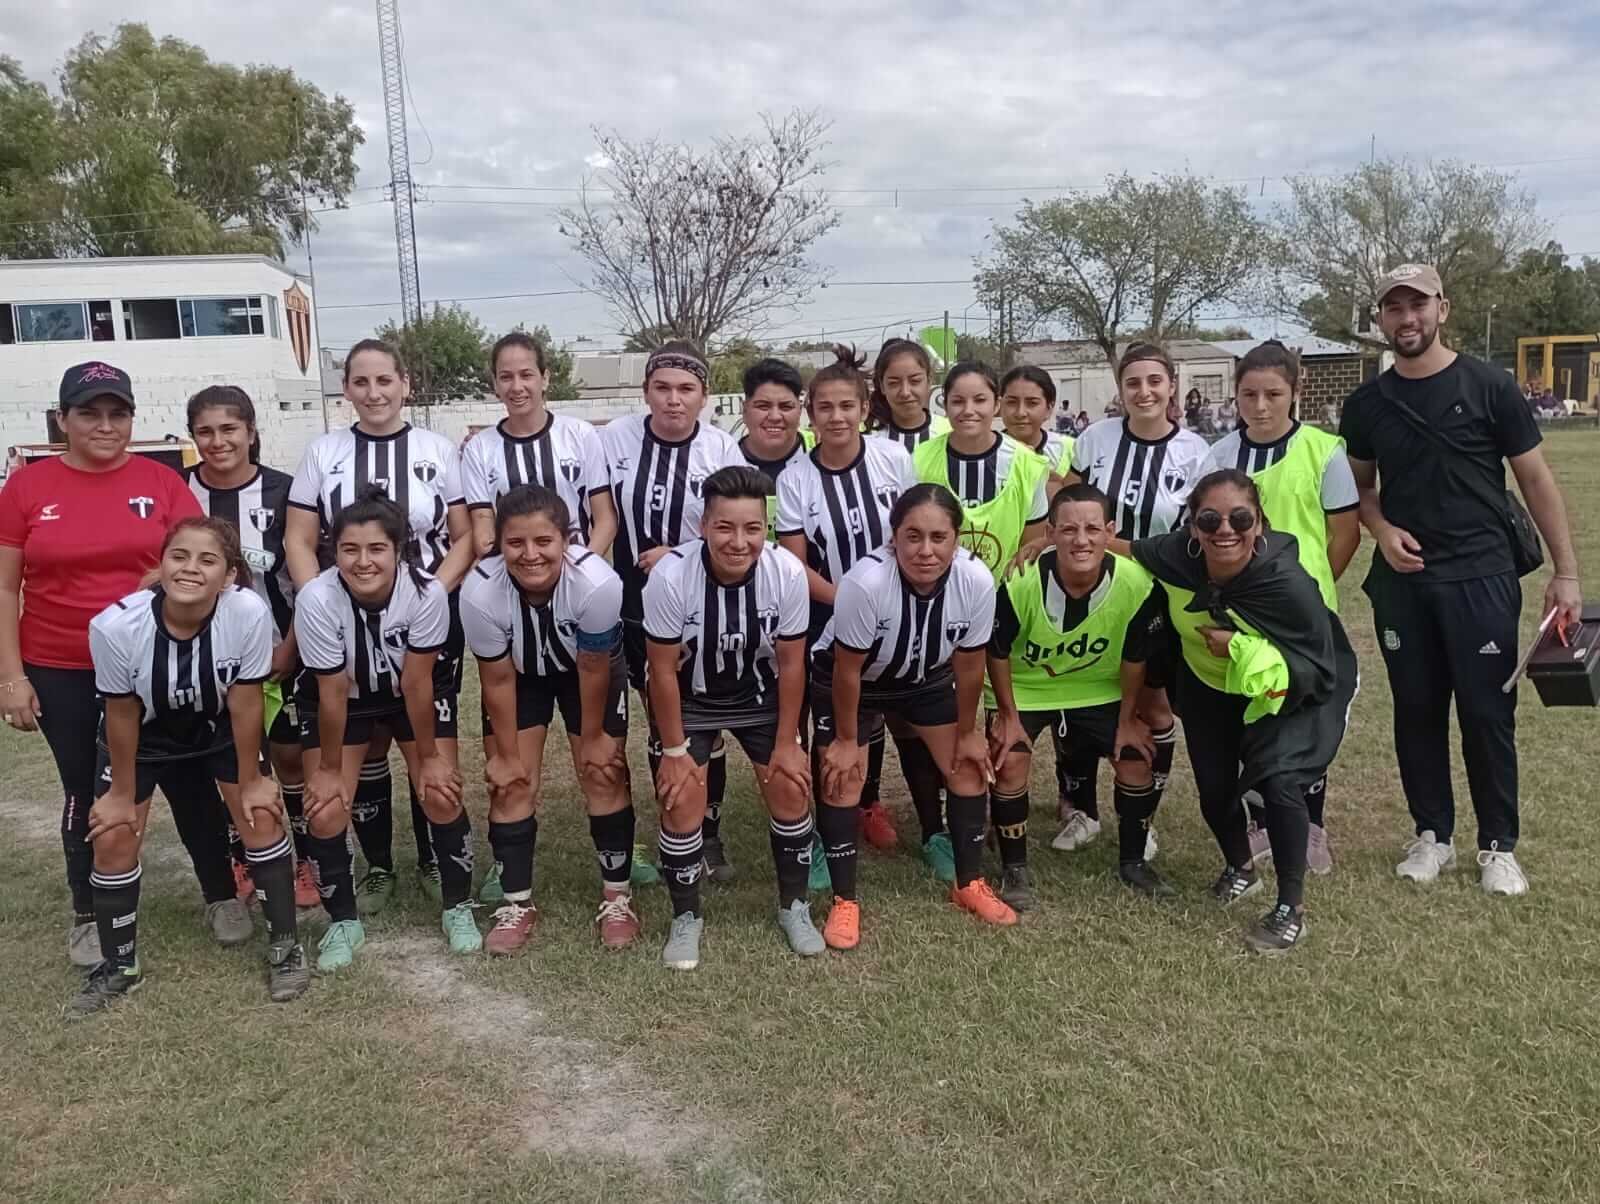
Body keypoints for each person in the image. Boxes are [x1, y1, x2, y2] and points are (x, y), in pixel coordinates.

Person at [1341, 263, 1581, 896]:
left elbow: (1534, 480)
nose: (1406, 318)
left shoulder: (1489, 386)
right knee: (1416, 711)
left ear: (1442, 308)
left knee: (1486, 713)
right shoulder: (1367, 404)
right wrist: (1382, 531)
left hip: (1481, 576)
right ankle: (1432, 837)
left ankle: (1498, 847)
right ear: (1382, 320)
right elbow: (1360, 490)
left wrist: (1567, 572)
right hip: (1404, 583)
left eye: (1417, 305)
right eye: (1394, 308)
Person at [0, 360, 230, 971]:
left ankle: (221, 894)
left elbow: (197, 561)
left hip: (155, 664)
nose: (105, 425)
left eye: (117, 412)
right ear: (63, 419)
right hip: (61, 664)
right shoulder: (27, 488)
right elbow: (4, 588)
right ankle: (88, 909)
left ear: (131, 417)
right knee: (88, 787)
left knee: (186, 777)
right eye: (89, 413)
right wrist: (11, 676)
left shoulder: (161, 482)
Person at [71, 518, 309, 1015]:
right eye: (179, 556)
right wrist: (120, 796)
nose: (190, 569)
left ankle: (287, 949)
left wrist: (252, 780)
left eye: (207, 560)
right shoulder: (114, 626)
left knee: (259, 816)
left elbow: (245, 703)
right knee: (115, 834)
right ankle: (120, 966)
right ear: (161, 564)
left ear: (228, 577)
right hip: (144, 735)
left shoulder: (246, 611)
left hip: (217, 726)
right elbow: (120, 712)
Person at [285, 338, 475, 912]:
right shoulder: (323, 451)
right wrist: (322, 596)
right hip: (342, 618)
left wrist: (425, 597)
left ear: (405, 385)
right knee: (363, 749)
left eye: (384, 381)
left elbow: (466, 535)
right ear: (346, 390)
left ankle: (436, 860)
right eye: (361, 383)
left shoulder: (437, 449)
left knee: (428, 749)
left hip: (423, 614)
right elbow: (298, 538)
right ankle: (379, 868)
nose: (373, 393)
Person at [1132, 470, 1356, 954]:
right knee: (1214, 789)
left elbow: (1320, 665)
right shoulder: (1176, 555)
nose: (1224, 530)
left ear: (1259, 523)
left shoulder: (1285, 583)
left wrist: (1240, 645)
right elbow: (1124, 547)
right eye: (1209, 519)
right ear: (1192, 526)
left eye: (1239, 518)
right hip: (1208, 687)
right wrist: (1051, 538)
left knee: (1279, 782)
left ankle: (1290, 908)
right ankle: (1240, 868)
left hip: (1285, 689)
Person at [813, 484, 1003, 948]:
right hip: (853, 682)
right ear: (892, 538)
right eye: (912, 536)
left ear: (957, 540)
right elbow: (848, 670)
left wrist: (969, 732)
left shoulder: (976, 580)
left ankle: (968, 882)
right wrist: (842, 739)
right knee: (845, 777)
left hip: (925, 680)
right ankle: (845, 901)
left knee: (968, 770)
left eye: (939, 538)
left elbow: (971, 662)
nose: (926, 550)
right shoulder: (866, 582)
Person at [642, 466, 813, 970]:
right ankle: (686, 917)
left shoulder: (786, 574)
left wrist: (787, 743)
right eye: (725, 527)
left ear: (767, 529)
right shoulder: (671, 576)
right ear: (703, 526)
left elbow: (790, 664)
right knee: (681, 799)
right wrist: (675, 753)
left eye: (752, 528)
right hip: (693, 698)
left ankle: (794, 907)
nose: (739, 542)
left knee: (790, 786)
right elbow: (661, 671)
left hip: (759, 696)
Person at [1201, 341, 1361, 873]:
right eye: (1249, 394)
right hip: (1238, 613)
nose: (1261, 406)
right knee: (1251, 710)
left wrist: (1306, 592)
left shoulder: (1323, 450)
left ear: (1296, 391)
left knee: (1302, 719)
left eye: (1273, 393)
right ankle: (1260, 824)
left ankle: (1310, 826)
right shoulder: (1221, 456)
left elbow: (1343, 534)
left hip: (1302, 616)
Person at [293, 488, 468, 970]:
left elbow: (415, 683)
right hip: (342, 699)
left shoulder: (426, 592)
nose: (363, 561)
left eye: (376, 549)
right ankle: (343, 921)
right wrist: (328, 769)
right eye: (350, 549)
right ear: (334, 552)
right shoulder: (316, 597)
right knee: (325, 809)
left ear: (398, 551)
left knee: (440, 793)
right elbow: (331, 690)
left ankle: (458, 907)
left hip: (407, 694)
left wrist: (430, 757)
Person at [460, 485, 637, 954]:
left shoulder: (598, 583)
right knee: (511, 780)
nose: (530, 554)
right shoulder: (479, 590)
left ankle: (617, 895)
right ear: (499, 544)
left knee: (603, 772)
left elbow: (594, 666)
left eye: (544, 542)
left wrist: (596, 736)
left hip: (586, 671)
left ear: (567, 540)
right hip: (520, 676)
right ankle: (517, 903)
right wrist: (507, 755)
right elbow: (496, 680)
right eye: (516, 543)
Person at [775, 347, 927, 872]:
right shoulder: (795, 478)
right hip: (828, 614)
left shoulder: (893, 459)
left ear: (865, 407)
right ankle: (822, 831)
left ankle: (881, 808)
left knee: (891, 713)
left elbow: (915, 532)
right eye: (824, 408)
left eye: (847, 406)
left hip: (900, 610)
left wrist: (886, 602)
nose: (836, 417)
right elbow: (795, 565)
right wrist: (853, 602)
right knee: (833, 720)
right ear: (810, 414)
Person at [986, 484, 1168, 907]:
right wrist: (1007, 715)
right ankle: (1015, 868)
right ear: (1049, 533)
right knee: (1009, 758)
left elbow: (1134, 658)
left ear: (1110, 531)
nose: (1080, 540)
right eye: (1068, 529)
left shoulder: (1136, 585)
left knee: (1136, 758)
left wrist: (1126, 720)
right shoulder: (1021, 580)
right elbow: (995, 652)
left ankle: (1133, 862)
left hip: (1096, 687)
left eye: (1091, 529)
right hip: (1028, 687)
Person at [1060, 344, 1209, 856]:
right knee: (1080, 694)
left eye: (1153, 381)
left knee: (1154, 706)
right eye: (1132, 383)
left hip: (1160, 597)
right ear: (1119, 389)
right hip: (1093, 589)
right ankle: (1081, 811)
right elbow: (1071, 509)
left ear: (1171, 385)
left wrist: (1127, 550)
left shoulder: (1195, 452)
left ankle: (1143, 816)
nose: (1143, 392)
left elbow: (1192, 540)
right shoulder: (1095, 439)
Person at [185, 386, 318, 909]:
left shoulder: (286, 492)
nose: (218, 441)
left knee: (288, 757)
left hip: (280, 651)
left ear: (251, 432)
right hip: (204, 659)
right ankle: (243, 857)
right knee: (228, 763)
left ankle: (307, 858)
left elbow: (310, 577)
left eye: (228, 429)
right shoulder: (179, 492)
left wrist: (292, 646)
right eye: (205, 431)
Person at [460, 330, 616, 557]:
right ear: (495, 384)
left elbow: (605, 519)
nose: (516, 387)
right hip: (513, 574)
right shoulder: (478, 449)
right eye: (506, 377)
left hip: (576, 569)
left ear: (545, 379)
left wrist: (582, 568)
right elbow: (483, 532)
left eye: (526, 375)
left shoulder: (580, 434)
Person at [914, 361, 1049, 577]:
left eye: (980, 400)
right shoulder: (920, 460)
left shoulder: (1027, 465)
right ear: (945, 406)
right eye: (957, 401)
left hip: (1005, 595)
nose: (969, 411)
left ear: (997, 405)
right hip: (938, 593)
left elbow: (1030, 545)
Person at [999, 364, 1074, 496]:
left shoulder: (1071, 450)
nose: (1020, 413)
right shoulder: (982, 450)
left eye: (1032, 403)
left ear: (1049, 408)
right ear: (999, 405)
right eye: (1011, 402)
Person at [866, 338, 950, 453]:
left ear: (929, 381)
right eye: (894, 383)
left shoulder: (951, 432)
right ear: (882, 386)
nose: (905, 392)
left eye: (915, 381)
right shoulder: (866, 437)